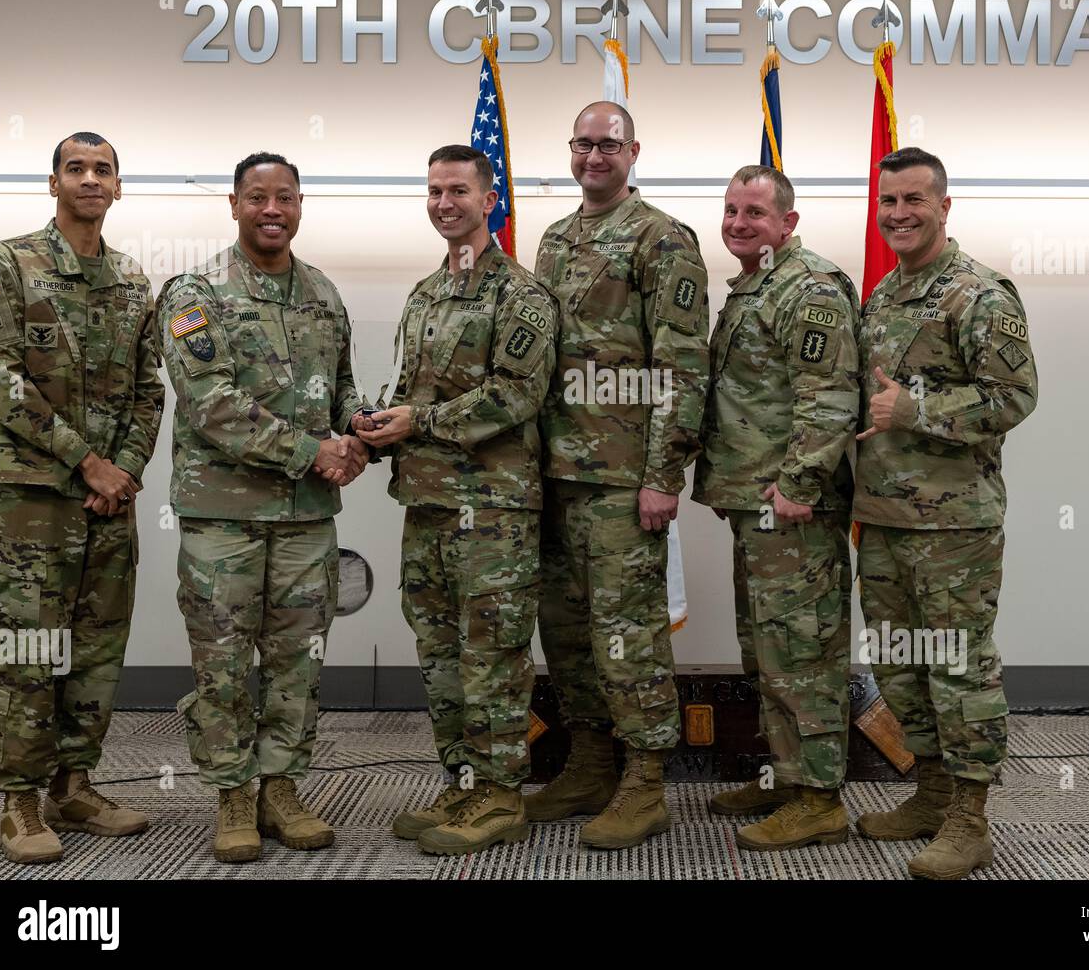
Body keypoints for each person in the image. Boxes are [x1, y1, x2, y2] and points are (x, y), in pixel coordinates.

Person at [159, 151, 368, 863]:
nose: (272, 210)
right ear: (234, 204)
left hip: (307, 519)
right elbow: (211, 405)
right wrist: (316, 452)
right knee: (222, 664)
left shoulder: (324, 294)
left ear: (301, 204)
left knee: (298, 663)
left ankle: (282, 787)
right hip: (224, 518)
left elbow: (341, 390)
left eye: (285, 197)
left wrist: (364, 431)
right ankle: (231, 795)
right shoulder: (196, 292)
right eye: (258, 198)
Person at [353, 145, 557, 855]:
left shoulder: (521, 294)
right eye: (435, 190)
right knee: (440, 655)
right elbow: (415, 392)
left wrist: (421, 422)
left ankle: (501, 795)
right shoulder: (424, 294)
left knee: (491, 656)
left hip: (493, 514)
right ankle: (464, 782)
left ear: (489, 197)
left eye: (459, 190)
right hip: (428, 506)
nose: (446, 202)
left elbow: (516, 395)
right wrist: (375, 427)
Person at [0, 132, 163, 863]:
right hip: (34, 499)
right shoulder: (4, 264)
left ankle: (74, 786)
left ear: (119, 187)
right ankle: (18, 803)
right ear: (53, 183)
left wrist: (126, 470)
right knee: (27, 646)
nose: (90, 179)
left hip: (109, 501)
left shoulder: (135, 282)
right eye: (75, 168)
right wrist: (87, 461)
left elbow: (150, 392)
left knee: (96, 648)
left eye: (102, 169)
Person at [526, 102, 709, 849]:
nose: (594, 156)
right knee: (567, 633)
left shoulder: (663, 238)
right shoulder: (553, 238)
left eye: (609, 145)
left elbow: (683, 364)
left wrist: (665, 473)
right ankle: (590, 763)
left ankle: (644, 783)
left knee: (628, 635)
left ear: (634, 151)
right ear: (570, 150)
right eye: (583, 143)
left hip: (624, 478)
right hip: (556, 475)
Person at [852, 147, 1038, 879]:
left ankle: (970, 818)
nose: (898, 214)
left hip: (953, 526)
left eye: (913, 201)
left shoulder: (979, 295)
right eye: (888, 201)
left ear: (944, 206)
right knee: (903, 668)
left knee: (959, 668)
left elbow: (1014, 399)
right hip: (886, 517)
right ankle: (929, 794)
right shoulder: (884, 296)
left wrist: (915, 407)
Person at [692, 165, 860, 851]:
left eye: (754, 212)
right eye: (730, 210)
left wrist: (798, 484)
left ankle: (819, 799)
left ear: (787, 223)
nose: (737, 222)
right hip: (755, 504)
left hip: (792, 509)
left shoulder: (808, 288)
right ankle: (788, 780)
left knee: (803, 653)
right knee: (768, 652)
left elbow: (832, 395)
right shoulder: (753, 287)